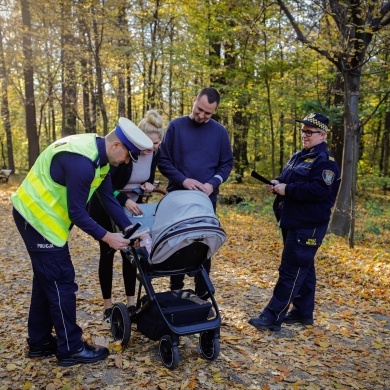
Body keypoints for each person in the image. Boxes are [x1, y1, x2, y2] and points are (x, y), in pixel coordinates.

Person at [11, 117, 153, 366]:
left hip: (42, 219)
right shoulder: (83, 163)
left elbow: (108, 197)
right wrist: (108, 237)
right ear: (116, 145)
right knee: (61, 281)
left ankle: (40, 342)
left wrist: (130, 228)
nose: (127, 162)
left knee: (46, 281)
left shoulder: (99, 157)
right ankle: (71, 348)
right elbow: (77, 212)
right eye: (128, 155)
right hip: (36, 219)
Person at [248, 112, 341, 331]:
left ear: (322, 135)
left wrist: (287, 189)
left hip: (308, 224)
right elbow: (287, 178)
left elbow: (319, 190)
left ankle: (272, 317)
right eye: (303, 131)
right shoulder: (299, 156)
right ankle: (303, 313)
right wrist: (277, 183)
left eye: (310, 132)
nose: (305, 135)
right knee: (304, 268)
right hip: (292, 220)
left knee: (291, 269)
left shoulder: (325, 162)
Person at [89, 110, 164, 322]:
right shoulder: (125, 154)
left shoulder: (154, 154)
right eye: (148, 143)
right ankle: (108, 306)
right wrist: (124, 201)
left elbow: (145, 180)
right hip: (106, 205)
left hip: (133, 208)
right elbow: (104, 186)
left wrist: (148, 186)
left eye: (156, 144)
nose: (152, 148)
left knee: (131, 253)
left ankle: (131, 304)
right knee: (108, 251)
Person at [158, 87, 233, 297]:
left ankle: (202, 295)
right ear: (194, 101)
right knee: (177, 243)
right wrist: (183, 180)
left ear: (215, 111)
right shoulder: (175, 126)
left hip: (206, 200)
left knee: (203, 245)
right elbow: (163, 161)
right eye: (199, 109)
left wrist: (212, 183)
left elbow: (226, 164)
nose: (201, 116)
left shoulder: (220, 132)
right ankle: (175, 292)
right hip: (177, 199)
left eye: (208, 113)